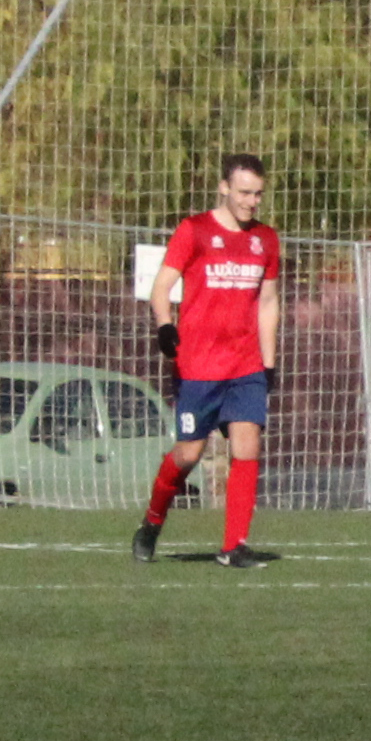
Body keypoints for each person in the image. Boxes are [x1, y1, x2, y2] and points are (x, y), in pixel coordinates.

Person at [138, 151, 285, 567]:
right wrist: (166, 325)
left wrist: (269, 363)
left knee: (247, 445)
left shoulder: (266, 240)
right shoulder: (195, 230)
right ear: (224, 188)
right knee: (188, 453)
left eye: (257, 194)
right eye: (243, 192)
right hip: (199, 366)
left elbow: (269, 302)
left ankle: (233, 545)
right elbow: (162, 287)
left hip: (246, 365)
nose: (251, 201)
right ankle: (152, 521)